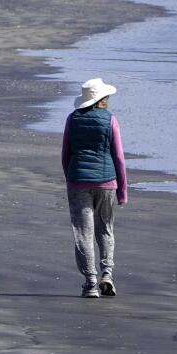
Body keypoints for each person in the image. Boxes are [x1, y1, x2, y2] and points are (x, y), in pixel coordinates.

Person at [62, 78, 128, 298]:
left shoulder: (72, 119)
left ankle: (90, 282)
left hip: (78, 181)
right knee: (105, 228)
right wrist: (122, 189)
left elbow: (66, 154)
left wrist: (70, 178)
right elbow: (118, 157)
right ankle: (106, 274)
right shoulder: (111, 120)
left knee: (83, 233)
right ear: (103, 99)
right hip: (107, 181)